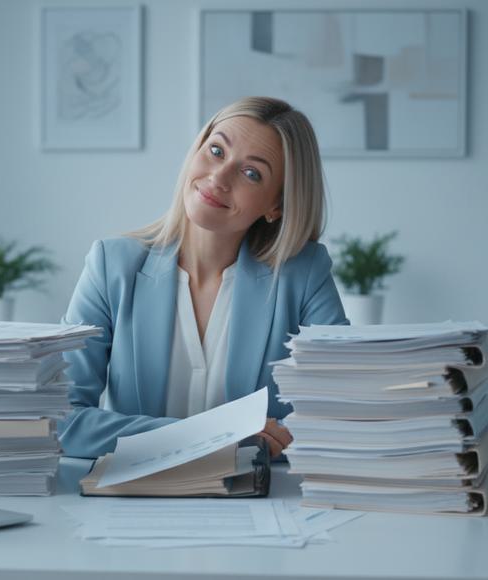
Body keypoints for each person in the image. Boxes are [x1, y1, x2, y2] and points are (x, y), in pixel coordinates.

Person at [59, 96, 349, 459]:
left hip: (258, 504)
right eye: (216, 150)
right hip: (129, 502)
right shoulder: (111, 265)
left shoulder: (303, 274)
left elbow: (341, 414)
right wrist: (215, 434)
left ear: (276, 205)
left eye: (251, 173)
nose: (218, 177)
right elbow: (61, 419)